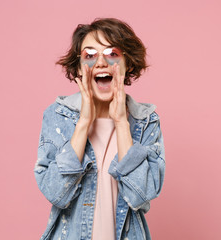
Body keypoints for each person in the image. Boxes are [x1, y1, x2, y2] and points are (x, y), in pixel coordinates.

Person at [34, 18, 165, 240]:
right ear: (78, 67)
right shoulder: (58, 116)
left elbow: (140, 196)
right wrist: (84, 122)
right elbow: (56, 193)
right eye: (90, 55)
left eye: (112, 53)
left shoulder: (145, 121)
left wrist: (122, 123)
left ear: (128, 64)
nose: (102, 62)